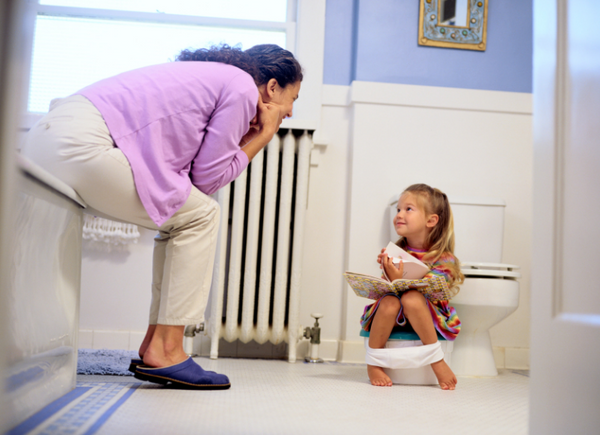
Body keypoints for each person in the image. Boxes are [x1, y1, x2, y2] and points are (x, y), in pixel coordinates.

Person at [20, 44, 303, 390]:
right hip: (78, 144)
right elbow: (206, 183)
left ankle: (155, 344)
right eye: (294, 98)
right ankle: (167, 349)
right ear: (272, 87)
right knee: (202, 216)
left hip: (49, 141)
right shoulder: (242, 87)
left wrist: (247, 136)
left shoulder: (218, 79)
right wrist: (264, 135)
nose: (289, 112)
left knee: (182, 218)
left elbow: (196, 178)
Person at [361, 183, 464, 389]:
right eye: (398, 209)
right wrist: (390, 276)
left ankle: (436, 360)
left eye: (408, 209)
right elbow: (389, 290)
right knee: (389, 301)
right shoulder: (395, 252)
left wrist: (404, 281)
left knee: (412, 298)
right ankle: (374, 363)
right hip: (395, 315)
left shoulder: (444, 258)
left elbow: (436, 291)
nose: (399, 214)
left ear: (431, 220)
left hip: (427, 314)